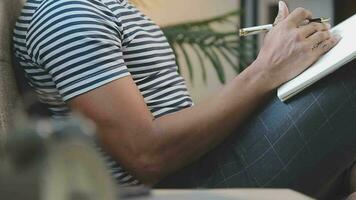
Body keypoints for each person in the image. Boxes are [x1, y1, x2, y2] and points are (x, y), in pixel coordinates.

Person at [14, 0, 341, 189]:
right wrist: (266, 69)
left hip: (201, 165)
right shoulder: (66, 14)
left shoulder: (102, 7)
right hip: (181, 184)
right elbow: (146, 156)